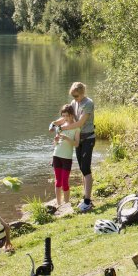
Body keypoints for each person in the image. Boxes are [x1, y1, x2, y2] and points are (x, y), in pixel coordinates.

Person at [53, 82, 96, 212]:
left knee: (85, 168)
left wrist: (62, 127)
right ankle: (85, 197)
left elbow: (79, 122)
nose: (75, 98)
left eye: (76, 96)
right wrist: (55, 123)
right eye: (73, 96)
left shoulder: (88, 103)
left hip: (88, 138)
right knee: (82, 169)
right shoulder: (74, 102)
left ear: (83, 93)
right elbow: (67, 118)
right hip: (78, 139)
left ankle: (87, 201)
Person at [50, 104, 80, 209]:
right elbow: (55, 143)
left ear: (72, 115)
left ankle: (66, 205)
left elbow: (76, 144)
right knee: (58, 181)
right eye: (63, 116)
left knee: (65, 182)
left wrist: (67, 138)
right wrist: (56, 140)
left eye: (66, 115)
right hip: (56, 155)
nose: (65, 118)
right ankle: (58, 204)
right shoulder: (60, 127)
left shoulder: (76, 127)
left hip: (67, 157)